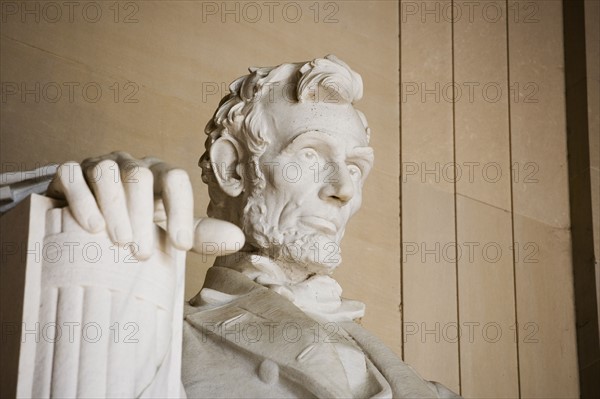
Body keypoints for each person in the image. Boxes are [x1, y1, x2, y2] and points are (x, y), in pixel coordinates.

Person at [6, 55, 459, 398]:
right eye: (310, 156)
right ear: (233, 168)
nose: (343, 189)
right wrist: (73, 214)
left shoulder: (424, 384)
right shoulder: (157, 336)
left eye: (356, 168)